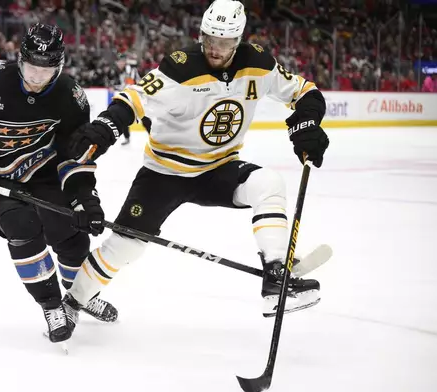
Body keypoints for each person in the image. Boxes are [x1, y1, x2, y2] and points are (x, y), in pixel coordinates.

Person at [62, 0, 330, 322]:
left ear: (239, 39)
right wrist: (108, 125)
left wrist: (308, 122)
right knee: (125, 247)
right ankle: (72, 303)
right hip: (164, 172)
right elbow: (135, 96)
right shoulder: (181, 67)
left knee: (269, 183)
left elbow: (304, 91)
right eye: (209, 39)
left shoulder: (259, 64)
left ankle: (275, 274)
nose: (215, 49)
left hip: (219, 168)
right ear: (201, 34)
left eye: (225, 42)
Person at [0, 23, 117, 345]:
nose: (36, 78)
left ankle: (80, 294)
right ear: (20, 59)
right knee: (22, 226)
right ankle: (52, 304)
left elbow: (74, 155)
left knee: (71, 235)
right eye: (30, 68)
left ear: (60, 66)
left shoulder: (71, 97)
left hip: (42, 173)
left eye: (46, 71)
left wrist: (84, 196)